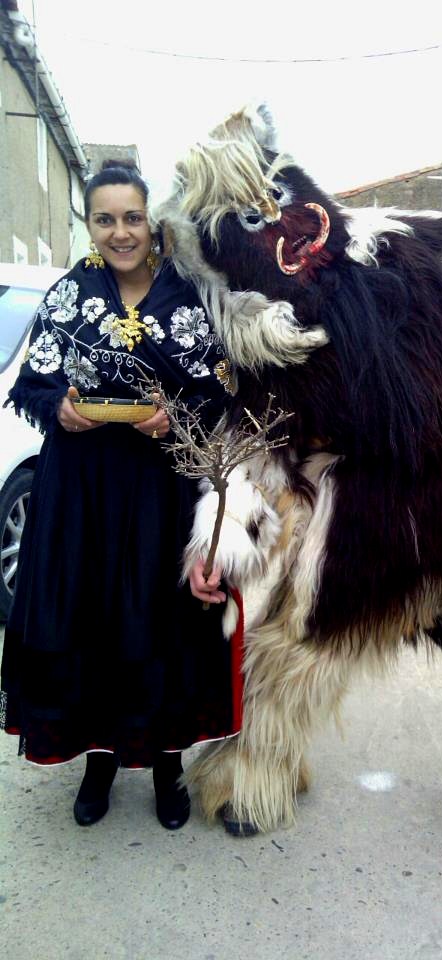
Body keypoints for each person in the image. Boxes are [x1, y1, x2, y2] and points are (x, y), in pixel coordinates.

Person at [0, 160, 240, 830]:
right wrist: (63, 412)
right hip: (81, 490)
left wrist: (175, 415)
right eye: (105, 219)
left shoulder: (185, 295)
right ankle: (97, 762)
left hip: (162, 490)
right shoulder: (71, 294)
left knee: (158, 623)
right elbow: (33, 383)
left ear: (151, 221)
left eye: (132, 217)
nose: (120, 232)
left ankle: (166, 767)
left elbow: (219, 387)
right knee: (91, 620)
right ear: (90, 224)